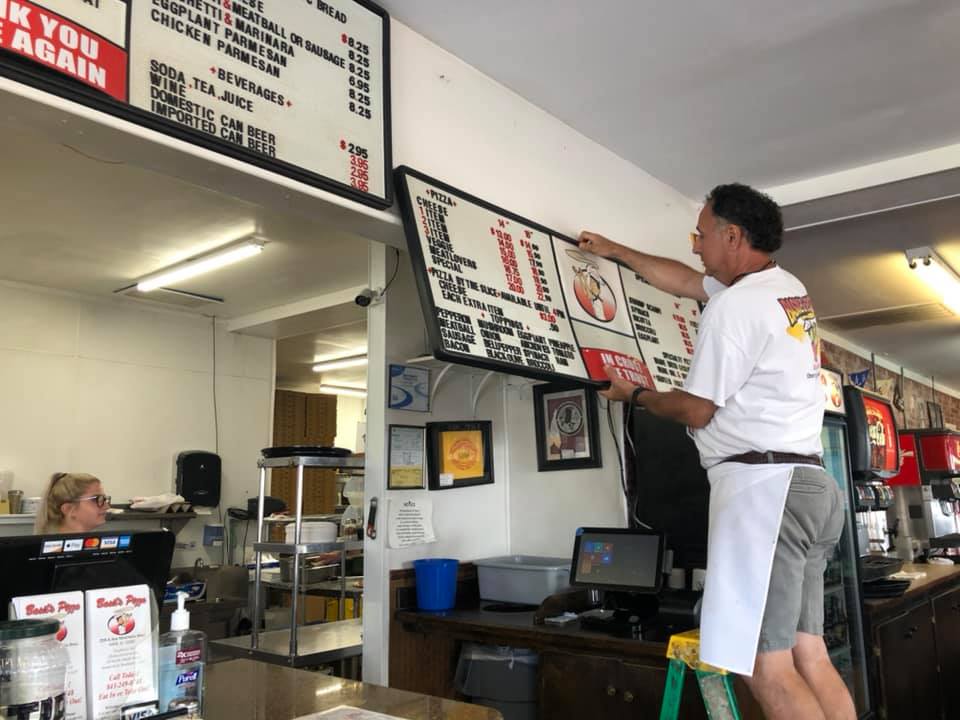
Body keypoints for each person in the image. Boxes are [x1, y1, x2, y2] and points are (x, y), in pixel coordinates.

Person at [578, 183, 854, 720]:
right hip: (812, 488)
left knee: (765, 667)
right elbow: (685, 281)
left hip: (765, 494)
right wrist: (616, 251)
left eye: (701, 235)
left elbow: (696, 410)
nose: (696, 246)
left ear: (732, 236)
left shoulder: (736, 307)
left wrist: (634, 394)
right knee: (810, 654)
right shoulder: (785, 288)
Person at [35, 472, 111, 533]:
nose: (107, 507)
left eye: (104, 499)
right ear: (68, 509)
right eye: (96, 499)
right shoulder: (52, 547)